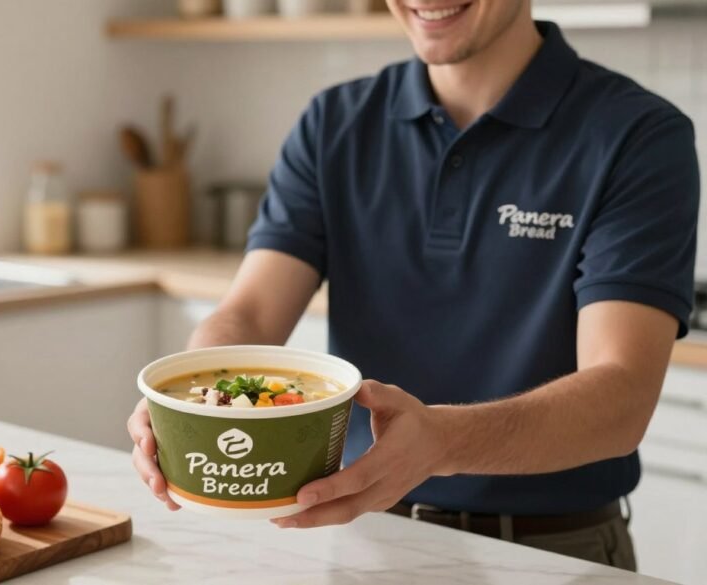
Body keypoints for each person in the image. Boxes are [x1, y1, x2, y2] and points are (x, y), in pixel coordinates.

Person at [128, 0, 700, 571]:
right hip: (364, 538)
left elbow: (621, 397)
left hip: (552, 552)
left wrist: (442, 442)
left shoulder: (638, 135)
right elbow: (250, 312)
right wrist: (192, 403)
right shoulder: (333, 122)